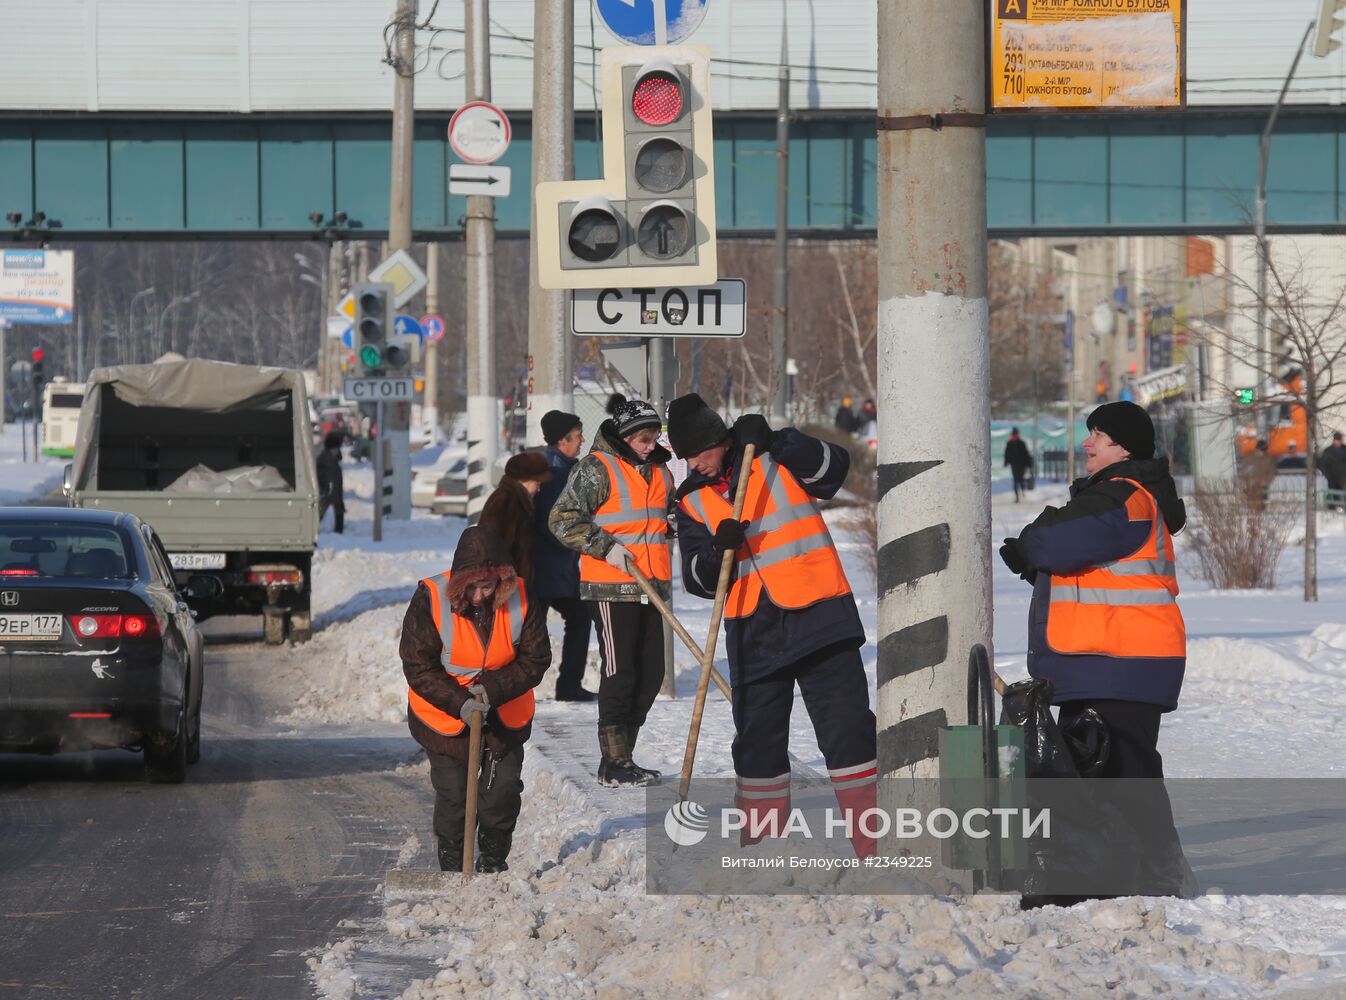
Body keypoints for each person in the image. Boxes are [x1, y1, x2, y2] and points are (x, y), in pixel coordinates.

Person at [666, 394, 878, 860]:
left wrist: (782, 440)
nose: (693, 464)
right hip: (752, 631)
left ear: (718, 441)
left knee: (847, 731)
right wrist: (717, 551)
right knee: (758, 744)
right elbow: (697, 580)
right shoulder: (691, 502)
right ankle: (762, 851)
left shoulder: (772, 457)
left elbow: (834, 471)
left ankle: (872, 842)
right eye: (685, 458)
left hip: (819, 612)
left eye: (697, 453)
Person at [999, 400, 1192, 903]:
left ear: (1124, 446)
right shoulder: (1128, 497)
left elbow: (1051, 542)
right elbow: (1080, 559)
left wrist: (1031, 545)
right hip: (1116, 662)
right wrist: (1034, 559)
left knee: (1123, 776)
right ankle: (1128, 874)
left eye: (1099, 436)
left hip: (1119, 661)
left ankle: (1155, 875)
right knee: (1111, 775)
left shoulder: (1123, 495)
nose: (1087, 443)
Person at [399, 526, 551, 873]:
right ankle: (454, 866)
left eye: (488, 587)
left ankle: (493, 863)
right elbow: (417, 664)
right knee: (454, 793)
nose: (481, 596)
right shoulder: (431, 598)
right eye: (473, 587)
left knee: (502, 792)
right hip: (446, 716)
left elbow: (536, 657)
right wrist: (460, 701)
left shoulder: (521, 597)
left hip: (504, 711)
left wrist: (494, 689)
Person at [549, 395, 672, 787]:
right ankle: (613, 763)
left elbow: (659, 518)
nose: (651, 445)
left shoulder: (660, 470)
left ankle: (626, 755)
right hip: (610, 584)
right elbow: (562, 518)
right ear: (624, 437)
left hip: (652, 585)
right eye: (644, 439)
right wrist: (607, 547)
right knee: (621, 671)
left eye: (654, 436)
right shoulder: (596, 469)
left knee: (651, 674)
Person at [533, 411, 597, 702]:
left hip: (556, 567)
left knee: (575, 618)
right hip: (547, 568)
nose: (582, 439)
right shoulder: (555, 471)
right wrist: (577, 543)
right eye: (577, 434)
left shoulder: (561, 466)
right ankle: (562, 685)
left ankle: (568, 684)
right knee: (534, 632)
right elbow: (553, 523)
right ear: (562, 440)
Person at [479, 451, 552, 582]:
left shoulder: (517, 501)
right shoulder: (506, 501)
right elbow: (493, 550)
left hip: (515, 586)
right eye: (537, 483)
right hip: (507, 588)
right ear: (524, 480)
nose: (539, 489)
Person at [315, 430, 345, 534]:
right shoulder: (324, 458)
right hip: (328, 491)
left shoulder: (333, 458)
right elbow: (319, 475)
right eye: (335, 448)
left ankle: (338, 533)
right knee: (319, 513)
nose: (337, 450)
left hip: (335, 491)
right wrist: (324, 488)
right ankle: (313, 532)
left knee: (338, 511)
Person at [1003, 427, 1034, 503]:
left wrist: (1006, 462)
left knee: (1016, 480)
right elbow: (1026, 454)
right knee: (1020, 479)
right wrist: (1029, 464)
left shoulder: (1010, 443)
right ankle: (1022, 493)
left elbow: (1007, 454)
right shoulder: (1021, 443)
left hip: (1014, 465)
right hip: (1021, 465)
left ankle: (1018, 496)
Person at [1319, 431, 1346, 510]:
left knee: (1343, 496)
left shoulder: (1344, 450)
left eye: (1339, 440)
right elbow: (1322, 465)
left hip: (1343, 479)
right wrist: (1327, 475)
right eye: (1336, 440)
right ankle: (1332, 510)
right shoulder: (1328, 451)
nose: (1338, 442)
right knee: (1333, 496)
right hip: (1332, 479)